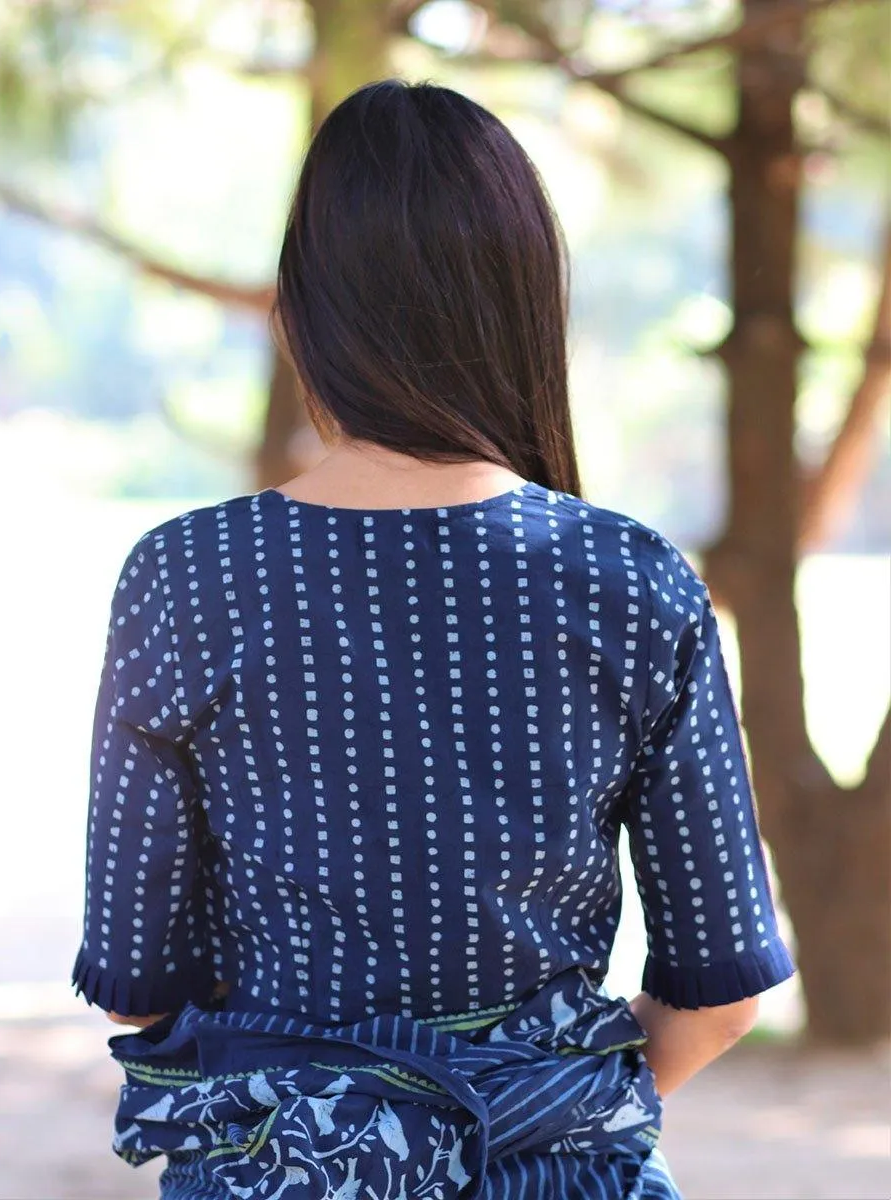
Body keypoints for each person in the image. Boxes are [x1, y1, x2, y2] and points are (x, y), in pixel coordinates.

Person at [71, 79, 796, 1199]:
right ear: (524, 305)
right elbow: (721, 990)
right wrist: (531, 1110)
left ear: (304, 307)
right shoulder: (632, 579)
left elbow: (134, 984)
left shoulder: (185, 579)